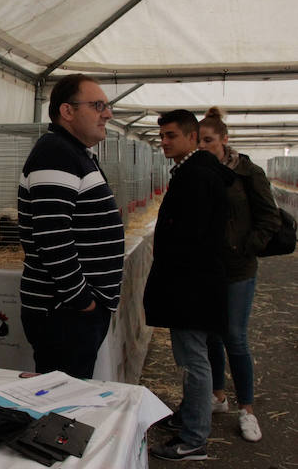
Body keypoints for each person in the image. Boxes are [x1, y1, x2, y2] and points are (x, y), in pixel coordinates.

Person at [17, 74, 124, 379]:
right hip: (65, 311)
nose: (108, 113)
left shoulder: (71, 153)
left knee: (67, 395)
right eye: (98, 105)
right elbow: (52, 237)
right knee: (62, 402)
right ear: (67, 111)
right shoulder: (56, 153)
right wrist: (82, 300)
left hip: (70, 310)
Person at [144, 109, 234, 462]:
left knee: (194, 361)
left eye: (171, 136)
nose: (164, 142)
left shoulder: (196, 176)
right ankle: (189, 422)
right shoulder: (196, 171)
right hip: (196, 282)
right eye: (161, 136)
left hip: (191, 286)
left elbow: (190, 235)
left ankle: (194, 439)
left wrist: (173, 273)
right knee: (194, 358)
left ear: (192, 137)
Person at [198, 106, 280, 442]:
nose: (203, 146)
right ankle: (218, 397)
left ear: (224, 139)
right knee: (213, 336)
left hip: (239, 268)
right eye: (198, 140)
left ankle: (248, 410)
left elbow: (270, 218)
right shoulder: (198, 172)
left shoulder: (249, 172)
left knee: (236, 337)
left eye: (209, 140)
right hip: (209, 269)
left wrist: (247, 246)